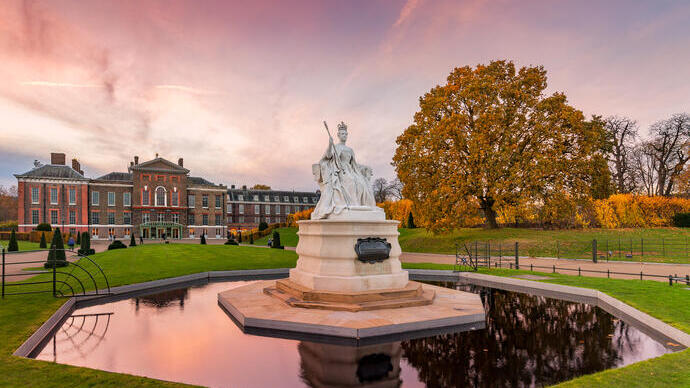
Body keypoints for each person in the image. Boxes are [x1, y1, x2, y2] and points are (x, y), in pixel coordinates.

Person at [311, 121, 377, 219]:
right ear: (338, 135)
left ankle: (358, 207)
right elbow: (328, 156)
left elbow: (354, 164)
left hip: (350, 169)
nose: (344, 136)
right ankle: (352, 205)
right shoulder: (335, 147)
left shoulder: (350, 150)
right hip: (339, 170)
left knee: (361, 183)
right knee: (350, 181)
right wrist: (330, 144)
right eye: (342, 134)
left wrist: (364, 168)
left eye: (346, 134)